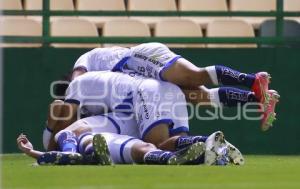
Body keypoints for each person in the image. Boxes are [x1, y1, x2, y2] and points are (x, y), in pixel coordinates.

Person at [45, 71, 245, 165]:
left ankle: (189, 152)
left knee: (156, 144)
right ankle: (211, 145)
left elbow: (64, 126)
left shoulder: (77, 86)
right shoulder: (106, 97)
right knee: (167, 142)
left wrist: (52, 149)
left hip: (146, 93)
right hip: (167, 88)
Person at [70, 43, 279, 131]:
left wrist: (68, 110)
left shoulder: (84, 65)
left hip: (136, 58)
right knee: (201, 98)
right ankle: (260, 98)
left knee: (194, 76)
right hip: (140, 80)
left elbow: (76, 83)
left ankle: (253, 80)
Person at [17, 113, 221, 166]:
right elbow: (68, 152)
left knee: (147, 147)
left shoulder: (81, 125)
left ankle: (174, 158)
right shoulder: (65, 133)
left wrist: (33, 153)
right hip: (97, 142)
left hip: (106, 140)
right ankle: (91, 156)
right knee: (142, 151)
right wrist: (33, 153)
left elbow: (65, 155)